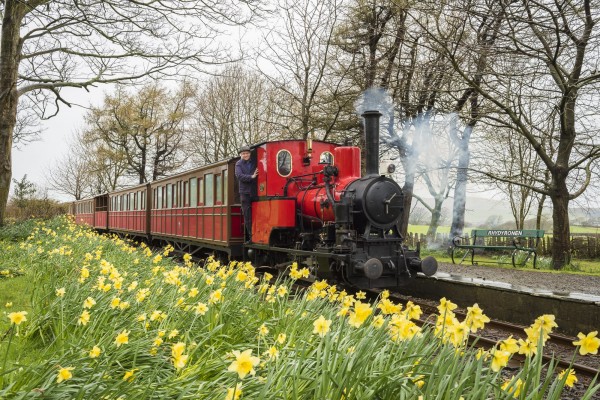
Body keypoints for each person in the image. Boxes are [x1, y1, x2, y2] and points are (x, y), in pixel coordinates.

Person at [235, 146, 258, 243]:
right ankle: (251, 237)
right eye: (243, 154)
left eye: (247, 153)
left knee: (257, 214)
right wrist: (252, 176)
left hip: (255, 190)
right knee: (248, 215)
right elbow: (239, 176)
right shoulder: (238, 164)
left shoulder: (254, 162)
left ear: (249, 153)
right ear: (241, 155)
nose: (245, 155)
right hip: (245, 192)